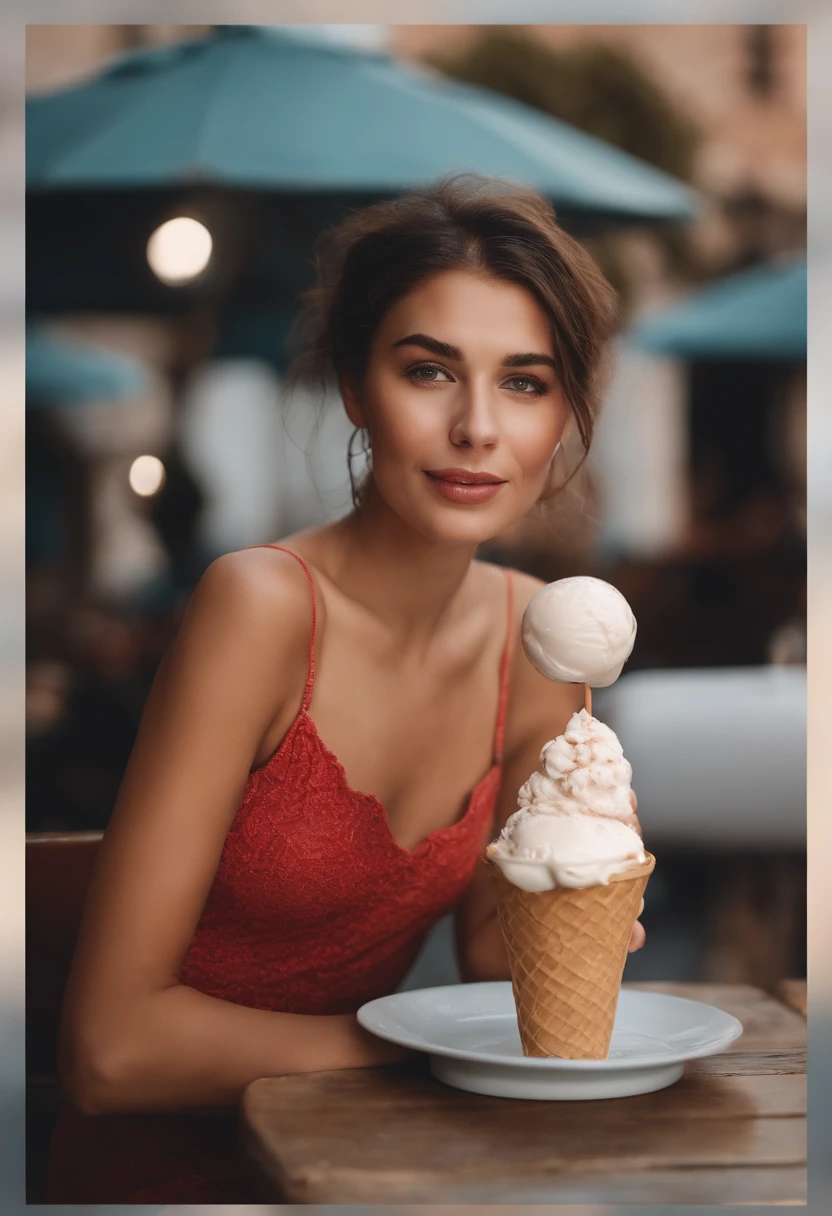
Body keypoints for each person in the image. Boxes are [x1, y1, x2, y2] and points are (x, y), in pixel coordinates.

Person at [46, 173, 644, 1203]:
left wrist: (581, 891)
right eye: (429, 371)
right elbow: (109, 1052)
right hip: (162, 1179)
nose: (476, 428)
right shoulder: (261, 607)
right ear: (358, 388)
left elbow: (503, 976)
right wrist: (417, 1056)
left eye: (525, 382)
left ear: (562, 420)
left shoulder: (533, 636)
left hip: (362, 1171)